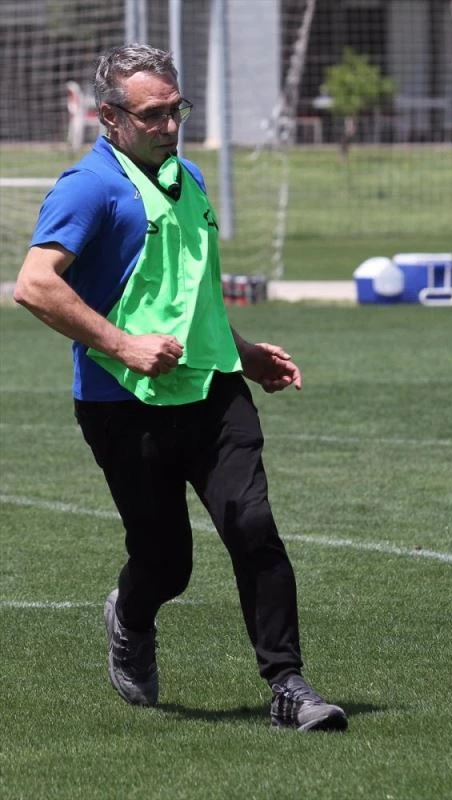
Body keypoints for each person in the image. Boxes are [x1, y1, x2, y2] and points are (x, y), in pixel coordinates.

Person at [13, 43, 347, 732]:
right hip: (122, 404)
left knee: (252, 527)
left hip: (213, 391)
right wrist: (124, 345)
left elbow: (188, 293)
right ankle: (130, 617)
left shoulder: (187, 176)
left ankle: (288, 686)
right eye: (153, 115)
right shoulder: (87, 187)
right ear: (110, 118)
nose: (170, 126)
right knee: (166, 563)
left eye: (177, 110)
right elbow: (34, 285)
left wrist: (243, 354)